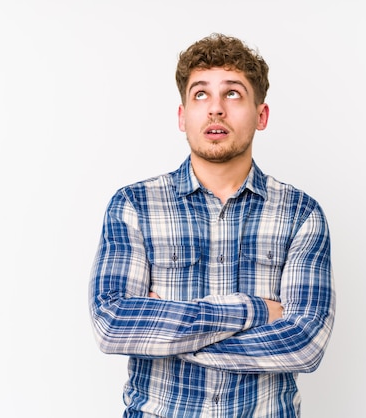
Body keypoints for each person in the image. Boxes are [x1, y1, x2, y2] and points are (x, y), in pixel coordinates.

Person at [89, 33, 336, 417]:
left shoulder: (301, 214)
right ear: (182, 115)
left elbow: (304, 344)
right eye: (200, 94)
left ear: (261, 115)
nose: (215, 109)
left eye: (233, 94)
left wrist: (169, 333)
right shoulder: (134, 206)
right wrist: (252, 312)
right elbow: (113, 323)